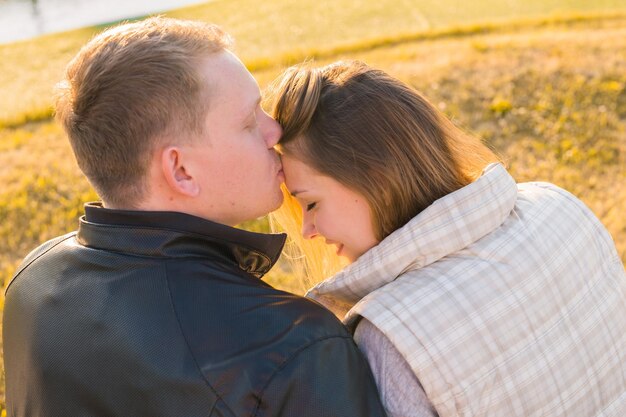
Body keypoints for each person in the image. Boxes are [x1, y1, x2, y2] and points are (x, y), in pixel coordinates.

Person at [2, 19, 388, 417]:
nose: (274, 131)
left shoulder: (31, 283)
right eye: (248, 120)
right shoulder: (295, 349)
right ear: (181, 170)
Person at [270, 60, 626, 417]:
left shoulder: (394, 336)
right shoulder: (558, 204)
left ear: (375, 175)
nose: (307, 230)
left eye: (311, 203)